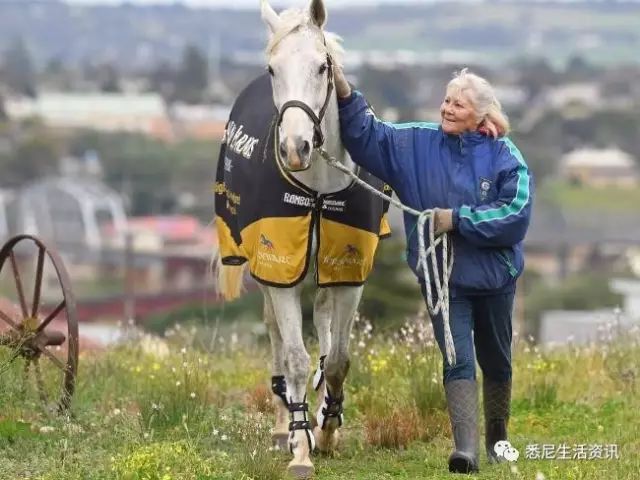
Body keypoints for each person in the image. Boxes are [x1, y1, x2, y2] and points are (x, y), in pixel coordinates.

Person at [334, 67, 534, 474]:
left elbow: (516, 215)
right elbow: (367, 136)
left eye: (458, 104)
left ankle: (498, 437)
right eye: (446, 100)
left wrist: (457, 219)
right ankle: (466, 451)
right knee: (456, 356)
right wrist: (344, 92)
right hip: (443, 277)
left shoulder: (505, 155)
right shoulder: (414, 143)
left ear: (480, 115)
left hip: (495, 277)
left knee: (496, 358)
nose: (447, 108)